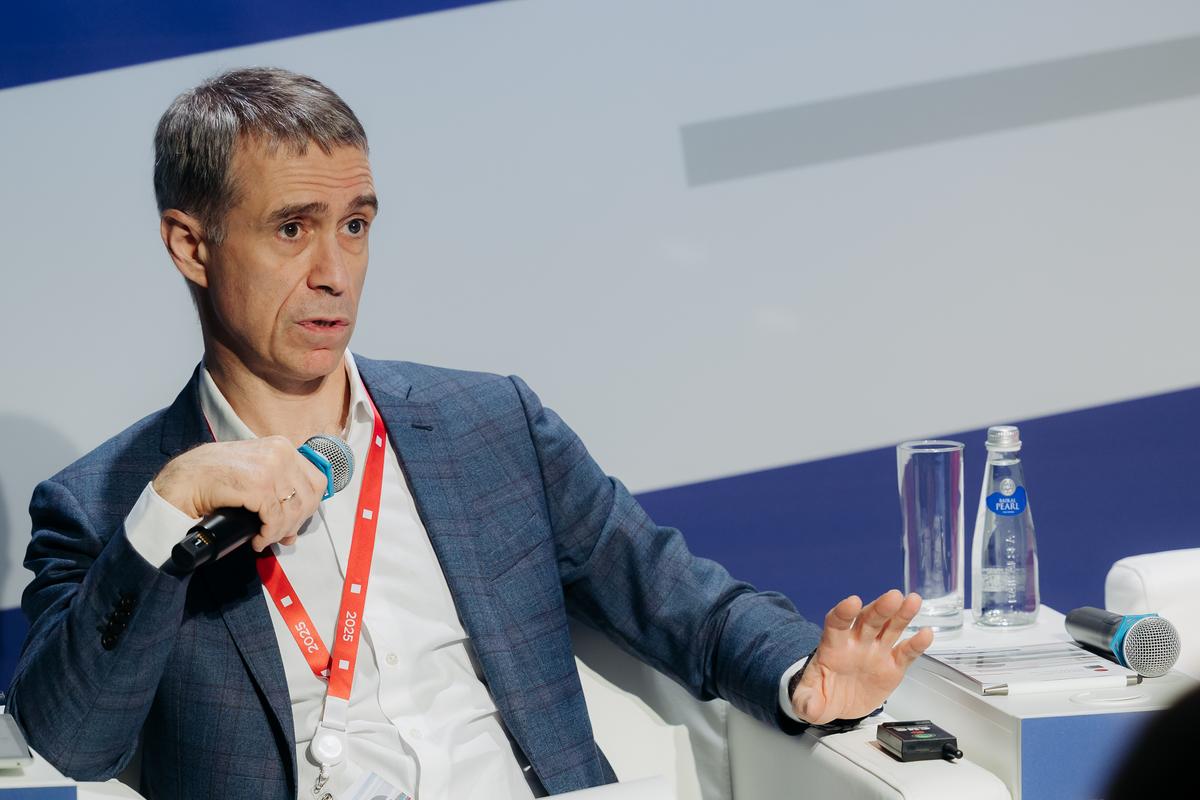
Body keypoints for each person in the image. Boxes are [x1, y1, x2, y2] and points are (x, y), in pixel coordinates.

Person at [5, 67, 933, 799]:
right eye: (292, 229)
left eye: (355, 225)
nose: (336, 271)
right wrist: (170, 510)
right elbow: (70, 744)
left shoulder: (489, 427)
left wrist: (801, 677)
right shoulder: (107, 505)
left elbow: (683, 601)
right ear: (191, 245)